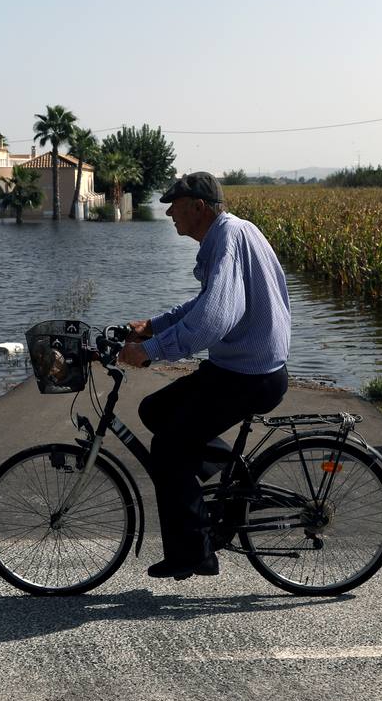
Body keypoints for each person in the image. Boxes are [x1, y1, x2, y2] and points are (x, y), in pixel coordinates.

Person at [119, 171, 291, 580]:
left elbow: (213, 318)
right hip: (244, 366)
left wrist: (149, 352)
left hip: (248, 374)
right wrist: (154, 326)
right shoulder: (228, 234)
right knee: (155, 409)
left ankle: (194, 552)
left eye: (174, 205)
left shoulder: (227, 239)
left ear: (198, 207)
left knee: (169, 448)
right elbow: (205, 304)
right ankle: (231, 488)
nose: (167, 212)